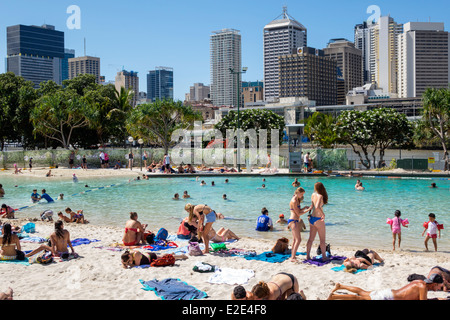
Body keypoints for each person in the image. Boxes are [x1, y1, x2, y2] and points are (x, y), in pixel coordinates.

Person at [327, 274, 444, 300]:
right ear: (434, 284)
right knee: (360, 298)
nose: (438, 289)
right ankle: (334, 296)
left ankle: (341, 286)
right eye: (438, 287)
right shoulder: (423, 287)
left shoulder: (420, 282)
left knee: (363, 292)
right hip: (387, 298)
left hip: (389, 292)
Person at [306, 182, 328, 262]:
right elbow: (317, 207)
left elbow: (312, 206)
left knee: (310, 239)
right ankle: (324, 257)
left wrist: (305, 212)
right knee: (322, 240)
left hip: (312, 218)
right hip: (318, 219)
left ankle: (307, 256)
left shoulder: (313, 195)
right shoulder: (320, 196)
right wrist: (323, 214)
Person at [288, 187, 311, 262]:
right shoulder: (294, 201)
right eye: (301, 194)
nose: (302, 196)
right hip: (293, 220)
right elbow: (298, 213)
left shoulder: (297, 200)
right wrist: (308, 210)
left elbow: (298, 211)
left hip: (295, 220)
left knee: (295, 239)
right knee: (298, 239)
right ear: (297, 193)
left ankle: (293, 256)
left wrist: (304, 208)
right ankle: (292, 258)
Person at [121, 249, 187, 269]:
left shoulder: (136, 254)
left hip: (150, 257)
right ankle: (172, 254)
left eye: (129, 260)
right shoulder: (126, 256)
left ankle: (181, 256)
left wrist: (127, 264)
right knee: (163, 256)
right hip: (146, 256)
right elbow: (125, 264)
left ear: (129, 256)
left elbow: (137, 265)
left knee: (163, 257)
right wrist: (124, 264)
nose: (129, 262)